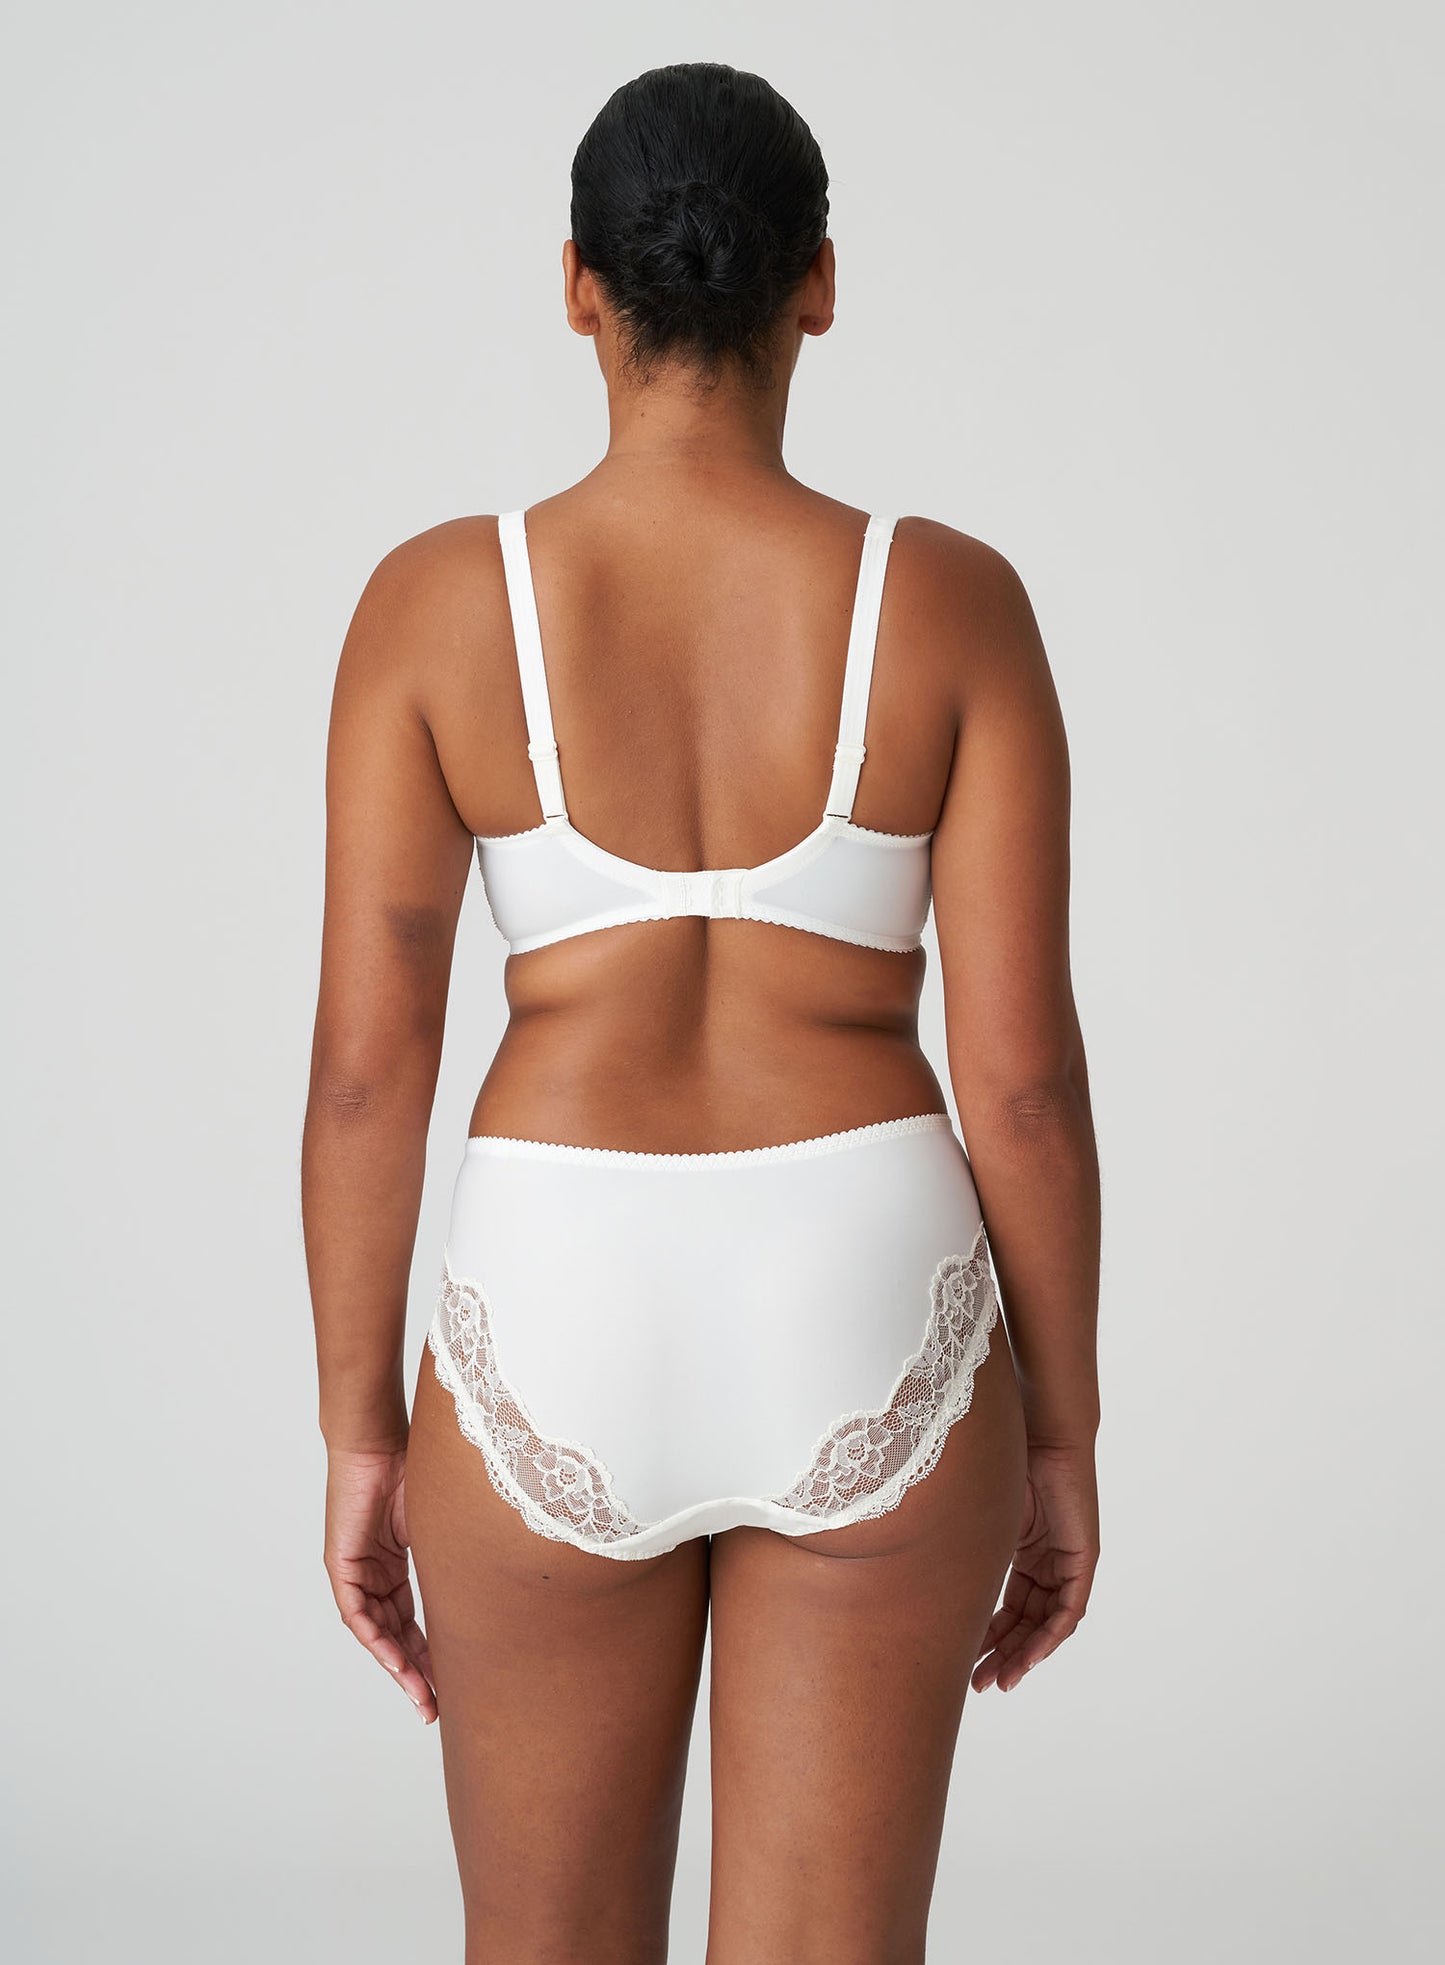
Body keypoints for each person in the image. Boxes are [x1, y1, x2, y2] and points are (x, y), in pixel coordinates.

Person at [302, 58, 1101, 1964]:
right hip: (865, 1277)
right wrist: (1062, 1432)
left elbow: (364, 1072)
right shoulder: (948, 601)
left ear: (577, 284)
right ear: (816, 282)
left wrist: (360, 1432)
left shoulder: (436, 603)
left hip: (554, 1279)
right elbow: (1020, 1084)